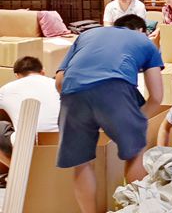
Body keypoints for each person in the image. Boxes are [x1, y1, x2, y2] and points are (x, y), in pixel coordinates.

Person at [55, 14, 164, 213]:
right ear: (142, 31)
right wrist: (136, 120)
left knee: (82, 163)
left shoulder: (87, 35)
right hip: (116, 88)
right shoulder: (146, 42)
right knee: (136, 151)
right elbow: (156, 97)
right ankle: (137, 209)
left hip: (72, 92)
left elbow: (60, 81)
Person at [0, 56, 60, 172]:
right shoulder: (57, 85)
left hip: (27, 147)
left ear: (17, 75)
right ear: (42, 71)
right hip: (61, 143)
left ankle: (14, 171)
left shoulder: (7, 89)